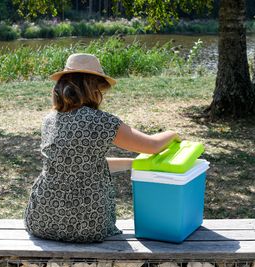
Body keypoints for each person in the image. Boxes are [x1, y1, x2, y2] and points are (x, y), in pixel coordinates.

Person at [24, 53, 180, 243]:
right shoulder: (101, 122)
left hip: (41, 218)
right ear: (91, 88)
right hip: (86, 224)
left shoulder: (50, 120)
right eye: (99, 88)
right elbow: (152, 145)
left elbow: (81, 163)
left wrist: (133, 163)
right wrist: (173, 134)